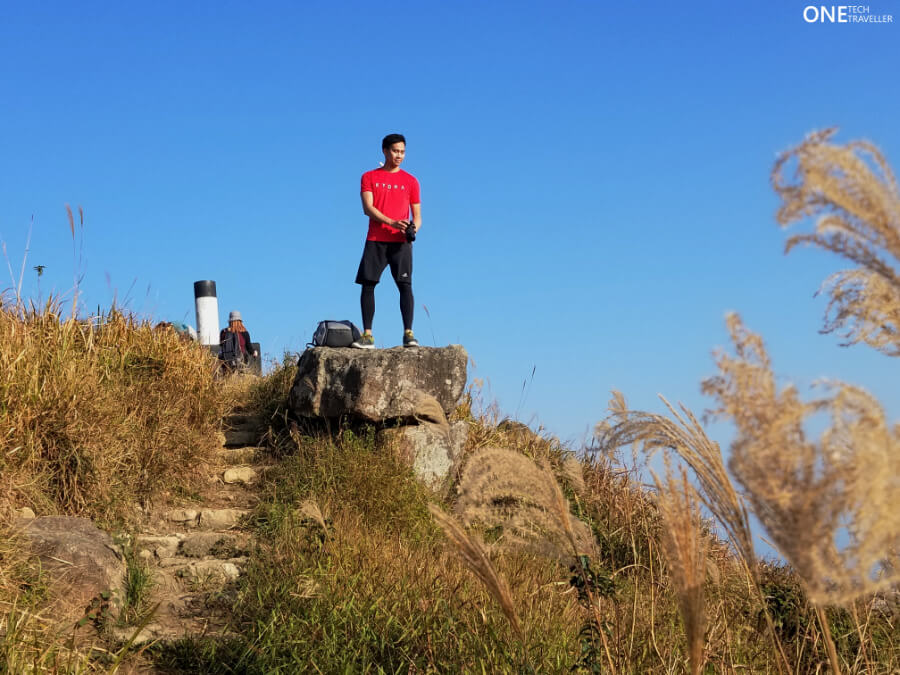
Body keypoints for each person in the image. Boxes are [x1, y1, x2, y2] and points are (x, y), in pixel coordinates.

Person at [351, 133, 422, 349]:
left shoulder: (411, 181)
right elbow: (368, 208)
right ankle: (368, 335)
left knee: (405, 285)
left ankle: (408, 334)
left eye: (402, 151)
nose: (399, 155)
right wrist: (391, 222)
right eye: (395, 151)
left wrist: (413, 229)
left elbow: (417, 215)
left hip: (401, 243)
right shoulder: (369, 177)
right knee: (368, 284)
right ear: (385, 150)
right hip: (376, 239)